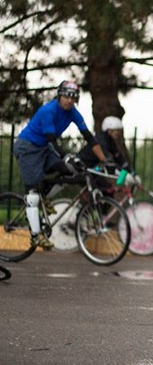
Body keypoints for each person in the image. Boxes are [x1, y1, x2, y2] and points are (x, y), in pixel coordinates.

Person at [13, 80, 108, 249]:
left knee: (70, 171)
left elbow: (89, 138)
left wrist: (104, 160)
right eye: (66, 96)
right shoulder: (47, 111)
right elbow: (52, 141)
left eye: (73, 98)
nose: (69, 101)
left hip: (44, 147)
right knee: (32, 194)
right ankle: (36, 235)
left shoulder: (73, 113)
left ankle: (45, 195)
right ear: (59, 95)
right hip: (28, 147)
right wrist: (68, 156)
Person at [78, 115, 138, 189]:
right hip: (83, 167)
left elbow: (119, 158)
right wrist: (121, 173)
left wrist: (131, 173)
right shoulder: (101, 140)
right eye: (117, 130)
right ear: (109, 130)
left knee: (106, 188)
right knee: (103, 188)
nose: (119, 133)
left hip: (94, 169)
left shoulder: (110, 141)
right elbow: (108, 161)